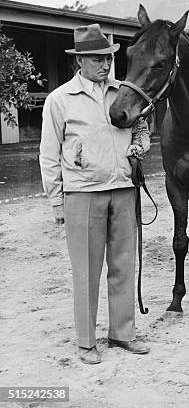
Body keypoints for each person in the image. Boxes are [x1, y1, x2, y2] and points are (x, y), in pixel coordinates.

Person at [39, 24, 151, 364]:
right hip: (83, 195)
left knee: (122, 265)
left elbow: (142, 127)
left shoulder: (123, 92)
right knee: (86, 270)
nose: (105, 65)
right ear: (80, 62)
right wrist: (57, 200)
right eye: (98, 59)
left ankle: (122, 333)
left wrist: (139, 144)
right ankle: (87, 342)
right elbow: (48, 153)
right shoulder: (60, 100)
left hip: (122, 190)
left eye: (108, 58)